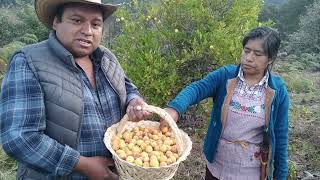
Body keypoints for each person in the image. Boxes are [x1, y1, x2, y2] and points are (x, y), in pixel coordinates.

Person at [0, 0, 150, 179]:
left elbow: (127, 86)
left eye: (95, 24)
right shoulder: (29, 62)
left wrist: (134, 100)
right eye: (77, 20)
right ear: (56, 22)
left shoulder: (106, 58)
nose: (88, 31)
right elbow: (20, 138)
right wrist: (82, 165)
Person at [161, 26, 289, 180]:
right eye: (246, 50)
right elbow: (198, 88)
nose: (248, 58)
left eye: (257, 54)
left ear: (270, 59)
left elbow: (280, 138)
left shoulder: (277, 91)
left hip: (250, 172)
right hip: (218, 165)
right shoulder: (226, 76)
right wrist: (175, 109)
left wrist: (280, 176)